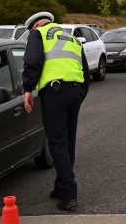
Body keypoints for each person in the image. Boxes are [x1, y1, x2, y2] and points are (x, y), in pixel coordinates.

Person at [22, 11, 89, 211]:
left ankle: (68, 195)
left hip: (55, 92)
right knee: (68, 141)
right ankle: (61, 187)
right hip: (75, 92)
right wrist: (80, 94)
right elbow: (85, 71)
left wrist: (27, 88)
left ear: (35, 25)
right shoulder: (72, 38)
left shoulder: (39, 35)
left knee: (57, 142)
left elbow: (32, 62)